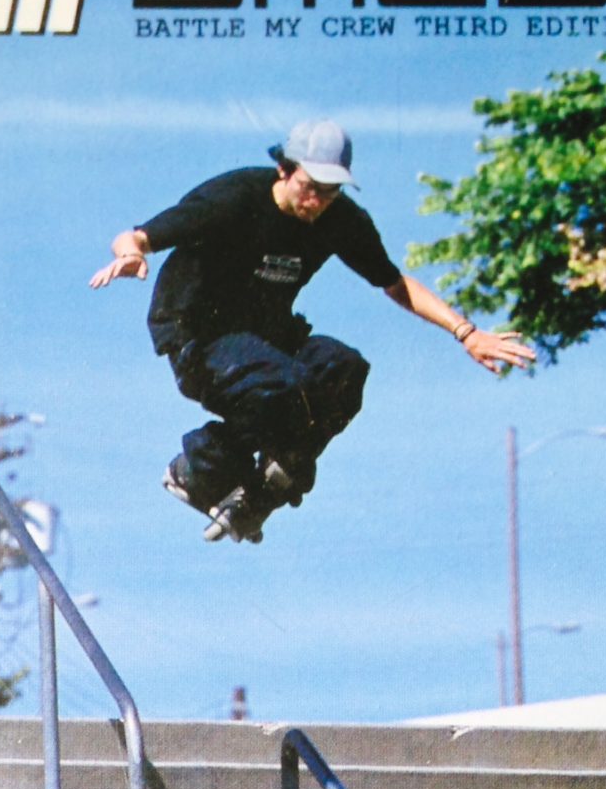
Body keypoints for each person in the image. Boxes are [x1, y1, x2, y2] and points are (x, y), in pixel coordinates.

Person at [90, 118, 534, 543]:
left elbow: (394, 283)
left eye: (330, 192)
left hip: (266, 336)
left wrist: (466, 332)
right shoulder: (234, 197)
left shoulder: (341, 220)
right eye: (310, 188)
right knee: (282, 386)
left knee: (343, 370)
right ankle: (199, 468)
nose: (317, 202)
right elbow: (138, 236)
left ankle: (263, 490)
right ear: (284, 170)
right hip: (198, 337)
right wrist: (130, 254)